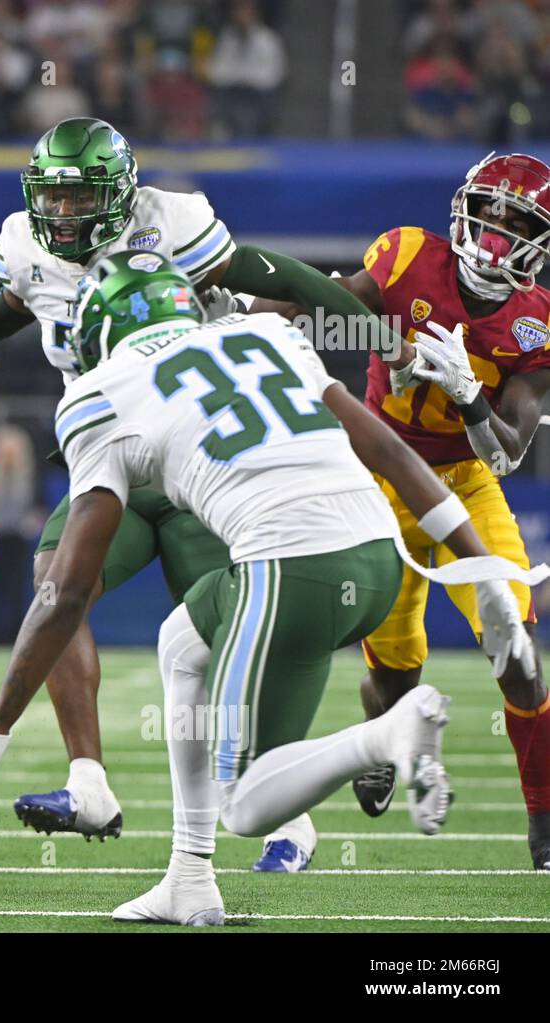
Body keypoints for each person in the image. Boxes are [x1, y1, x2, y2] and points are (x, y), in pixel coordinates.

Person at [0, 252, 537, 924]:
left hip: (290, 567)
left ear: (99, 331)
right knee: (181, 644)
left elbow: (66, 593)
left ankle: (387, 734)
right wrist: (482, 568)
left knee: (246, 803)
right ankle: (189, 877)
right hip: (376, 551)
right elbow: (392, 452)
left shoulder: (99, 394)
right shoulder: (268, 336)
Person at [0, 116, 411, 870]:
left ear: (121, 195)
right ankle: (90, 783)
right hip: (112, 451)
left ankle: (292, 811)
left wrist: (370, 333)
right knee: (56, 590)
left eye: (82, 198)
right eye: (52, 198)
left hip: (201, 457)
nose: (63, 215)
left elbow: (271, 275)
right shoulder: (23, 241)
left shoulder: (172, 219)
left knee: (231, 634)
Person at [253, 152, 550, 871]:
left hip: (465, 481)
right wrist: (264, 320)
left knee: (516, 652)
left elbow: (507, 451)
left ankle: (544, 823)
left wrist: (468, 392)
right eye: (491, 213)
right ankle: (381, 734)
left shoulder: (535, 322)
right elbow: (326, 302)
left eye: (520, 224)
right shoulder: (409, 256)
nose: (499, 235)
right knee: (396, 673)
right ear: (464, 209)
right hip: (379, 475)